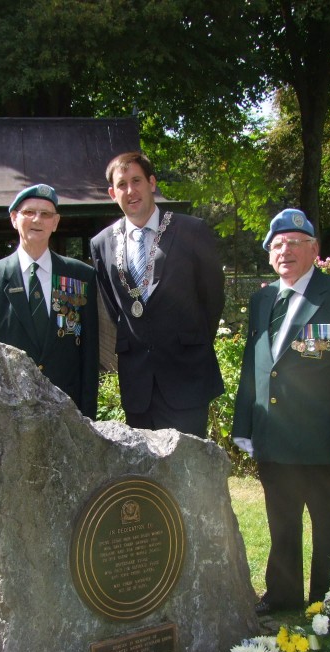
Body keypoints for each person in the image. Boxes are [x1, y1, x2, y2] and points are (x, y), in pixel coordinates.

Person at [232, 208, 330, 614]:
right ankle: (283, 594)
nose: (285, 251)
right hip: (273, 435)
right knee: (282, 525)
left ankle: (328, 602)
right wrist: (245, 421)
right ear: (269, 256)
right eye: (277, 245)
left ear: (315, 250)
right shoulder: (262, 299)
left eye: (294, 243)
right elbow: (254, 364)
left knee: (329, 526)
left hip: (322, 438)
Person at [90, 151, 225, 438]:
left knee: (189, 474)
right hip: (138, 383)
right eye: (122, 184)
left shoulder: (191, 230)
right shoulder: (101, 243)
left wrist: (188, 342)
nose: (131, 190)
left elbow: (213, 298)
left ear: (152, 183)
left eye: (136, 180)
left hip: (186, 376)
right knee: (146, 479)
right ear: (113, 193)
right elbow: (116, 309)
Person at [0, 183, 99, 419]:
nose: (37, 220)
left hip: (67, 414)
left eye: (46, 214)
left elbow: (89, 357)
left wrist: (88, 417)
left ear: (55, 222)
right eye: (29, 212)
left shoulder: (80, 276)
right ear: (14, 219)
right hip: (9, 414)